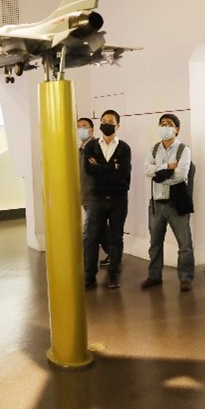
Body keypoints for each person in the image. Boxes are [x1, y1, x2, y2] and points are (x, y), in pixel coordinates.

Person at [141, 113, 195, 291]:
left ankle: (185, 277)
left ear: (177, 129)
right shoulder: (154, 149)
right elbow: (146, 169)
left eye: (169, 124)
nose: (165, 127)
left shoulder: (183, 150)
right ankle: (154, 275)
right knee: (155, 243)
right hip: (157, 202)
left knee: (184, 244)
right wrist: (167, 167)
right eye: (162, 124)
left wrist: (158, 173)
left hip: (176, 203)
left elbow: (181, 174)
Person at [83, 110, 132, 289]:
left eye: (110, 121)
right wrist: (113, 166)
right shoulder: (91, 146)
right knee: (92, 238)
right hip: (97, 198)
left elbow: (123, 173)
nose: (106, 124)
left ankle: (113, 275)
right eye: (103, 120)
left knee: (116, 237)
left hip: (119, 199)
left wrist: (101, 167)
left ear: (117, 125)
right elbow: (89, 170)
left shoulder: (124, 148)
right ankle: (89, 277)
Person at [78, 118, 110, 266]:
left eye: (84, 126)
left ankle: (86, 266)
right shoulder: (81, 149)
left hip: (95, 195)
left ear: (91, 129)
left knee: (89, 233)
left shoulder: (96, 147)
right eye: (78, 126)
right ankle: (114, 254)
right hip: (85, 194)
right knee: (101, 228)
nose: (81, 129)